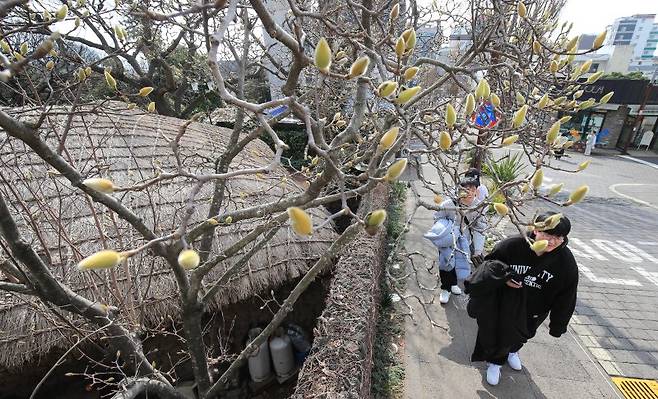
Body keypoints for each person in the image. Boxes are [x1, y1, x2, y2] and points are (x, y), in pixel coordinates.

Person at [467, 211, 578, 385]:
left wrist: (558, 324)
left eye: (558, 236)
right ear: (535, 230)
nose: (551, 240)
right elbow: (488, 266)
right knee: (498, 334)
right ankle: (495, 363)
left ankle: (513, 351)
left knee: (523, 335)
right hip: (504, 304)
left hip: (535, 309)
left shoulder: (565, 261)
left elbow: (567, 295)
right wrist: (504, 277)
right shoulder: (512, 245)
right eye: (547, 233)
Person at [424, 177, 486, 304]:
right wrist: (447, 229)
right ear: (459, 191)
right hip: (447, 239)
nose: (469, 192)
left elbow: (480, 228)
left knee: (459, 263)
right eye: (466, 189)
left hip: (464, 241)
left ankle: (453, 284)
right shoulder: (449, 204)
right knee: (446, 263)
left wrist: (478, 249)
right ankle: (445, 289)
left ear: (476, 191)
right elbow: (438, 218)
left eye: (472, 189)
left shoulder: (478, 206)